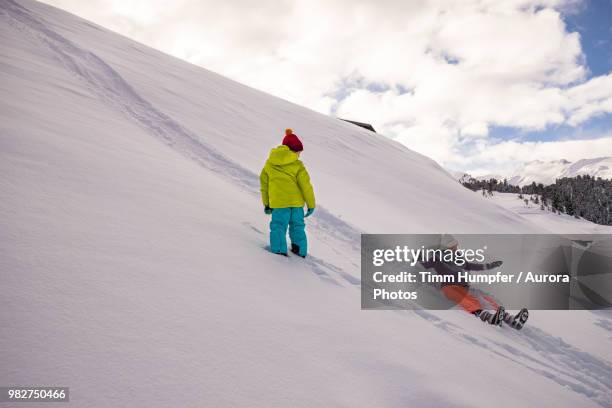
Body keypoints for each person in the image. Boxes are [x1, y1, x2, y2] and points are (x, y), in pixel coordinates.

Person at [421, 235, 528, 329]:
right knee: (466, 300)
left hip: (464, 286)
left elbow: (472, 266)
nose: (455, 248)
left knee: (485, 298)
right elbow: (422, 265)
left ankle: (511, 320)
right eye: (452, 246)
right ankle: (488, 317)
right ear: (446, 247)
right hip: (449, 286)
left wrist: (490, 265)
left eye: (455, 245)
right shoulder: (437, 258)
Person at [260, 129, 316, 257]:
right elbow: (306, 186)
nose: (299, 155)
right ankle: (300, 250)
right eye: (299, 152)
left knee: (278, 226)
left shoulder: (269, 164)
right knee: (297, 226)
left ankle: (279, 250)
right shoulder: (298, 165)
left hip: (279, 204)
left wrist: (267, 204)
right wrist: (311, 204)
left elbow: (264, 186)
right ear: (294, 150)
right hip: (296, 205)